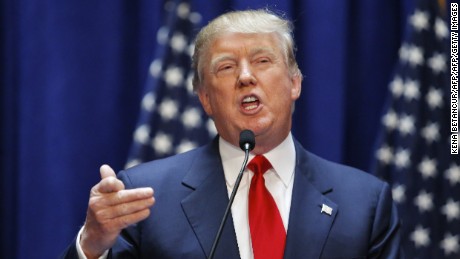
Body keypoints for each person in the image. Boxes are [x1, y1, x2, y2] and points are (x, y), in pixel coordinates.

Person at [61, 9, 402, 259]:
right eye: (226, 67)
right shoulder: (146, 198)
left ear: (295, 83)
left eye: (262, 60)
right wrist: (91, 245)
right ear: (205, 99)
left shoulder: (365, 204)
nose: (245, 77)